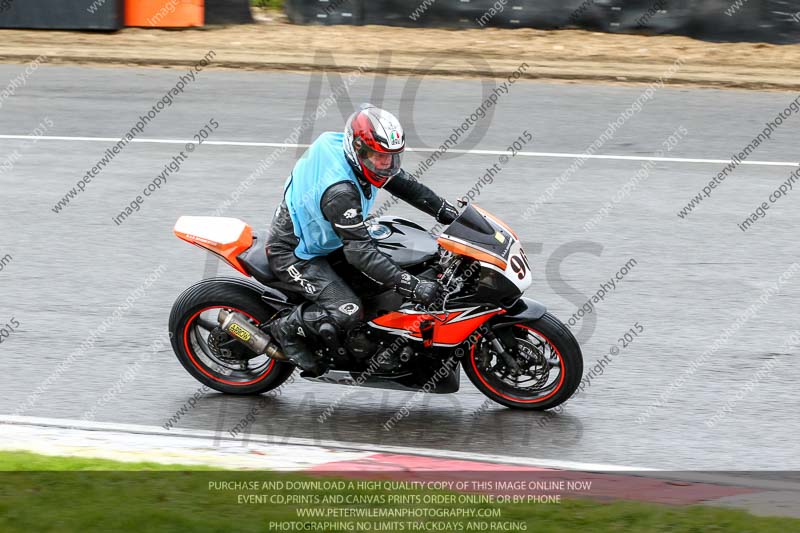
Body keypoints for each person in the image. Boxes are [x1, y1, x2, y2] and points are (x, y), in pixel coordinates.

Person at [266, 103, 459, 376]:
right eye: (379, 157)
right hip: (295, 253)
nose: (386, 164)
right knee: (348, 310)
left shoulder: (358, 154)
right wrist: (412, 286)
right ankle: (285, 328)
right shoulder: (340, 192)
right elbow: (359, 252)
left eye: (391, 157)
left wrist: (445, 211)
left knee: (395, 274)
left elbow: (402, 183)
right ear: (357, 149)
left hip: (326, 235)